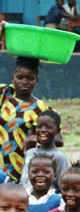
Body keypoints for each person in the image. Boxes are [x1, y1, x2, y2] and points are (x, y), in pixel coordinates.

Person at [0, 55, 50, 184]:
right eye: (20, 77)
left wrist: (37, 137)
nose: (24, 82)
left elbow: (58, 138)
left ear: (37, 80)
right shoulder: (4, 93)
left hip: (19, 168)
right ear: (13, 78)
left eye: (30, 78)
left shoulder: (41, 108)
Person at [23, 110, 67, 189]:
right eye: (39, 126)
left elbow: (63, 185)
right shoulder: (30, 153)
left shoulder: (59, 157)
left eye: (48, 127)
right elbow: (24, 180)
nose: (42, 130)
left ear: (58, 130)